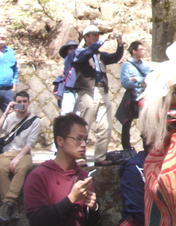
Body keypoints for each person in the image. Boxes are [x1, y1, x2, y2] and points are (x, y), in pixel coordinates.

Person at [23, 113, 100, 226]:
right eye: (78, 139)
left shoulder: (83, 177)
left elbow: (90, 225)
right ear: (60, 140)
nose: (83, 144)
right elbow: (37, 223)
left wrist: (93, 207)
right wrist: (71, 199)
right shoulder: (39, 176)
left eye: (85, 139)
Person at [73, 25, 123, 165]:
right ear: (86, 37)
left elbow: (115, 57)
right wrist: (101, 42)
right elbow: (85, 54)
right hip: (88, 90)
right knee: (85, 124)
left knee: (105, 125)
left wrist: (119, 44)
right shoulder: (80, 52)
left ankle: (100, 157)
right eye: (93, 35)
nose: (96, 37)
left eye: (97, 35)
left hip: (102, 90)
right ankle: (79, 156)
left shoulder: (100, 55)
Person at [0, 90, 41, 222]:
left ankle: (8, 202)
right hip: (6, 152)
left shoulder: (34, 120)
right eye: (19, 102)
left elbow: (30, 143)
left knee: (23, 167)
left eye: (24, 102)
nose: (22, 104)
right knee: (0, 167)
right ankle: (10, 205)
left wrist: (18, 157)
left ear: (29, 103)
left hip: (23, 152)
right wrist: (6, 112)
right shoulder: (10, 117)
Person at [117, 41, 152, 150]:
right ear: (134, 51)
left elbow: (152, 77)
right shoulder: (126, 65)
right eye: (141, 49)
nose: (143, 51)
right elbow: (125, 82)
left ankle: (147, 148)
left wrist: (138, 79)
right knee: (126, 123)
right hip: (132, 97)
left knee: (146, 124)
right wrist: (141, 81)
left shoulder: (145, 65)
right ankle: (126, 148)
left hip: (145, 97)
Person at [57, 40, 79, 115]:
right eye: (70, 49)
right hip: (69, 91)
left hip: (79, 91)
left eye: (74, 48)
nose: (73, 50)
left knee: (78, 117)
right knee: (66, 116)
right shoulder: (68, 60)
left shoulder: (80, 62)